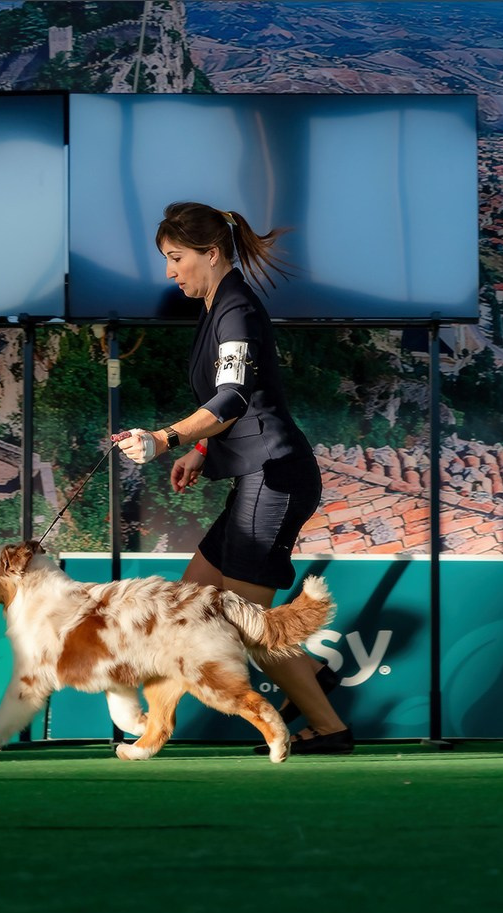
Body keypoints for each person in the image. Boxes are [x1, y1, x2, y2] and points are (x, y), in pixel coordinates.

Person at [117, 201, 353, 754]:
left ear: (211, 253)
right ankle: (311, 679)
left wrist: (165, 438)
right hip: (258, 476)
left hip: (274, 477)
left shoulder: (236, 310)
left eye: (176, 258)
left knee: (252, 626)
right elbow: (237, 401)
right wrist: (202, 449)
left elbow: (233, 398)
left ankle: (330, 730)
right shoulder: (218, 306)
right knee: (189, 605)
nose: (169, 272)